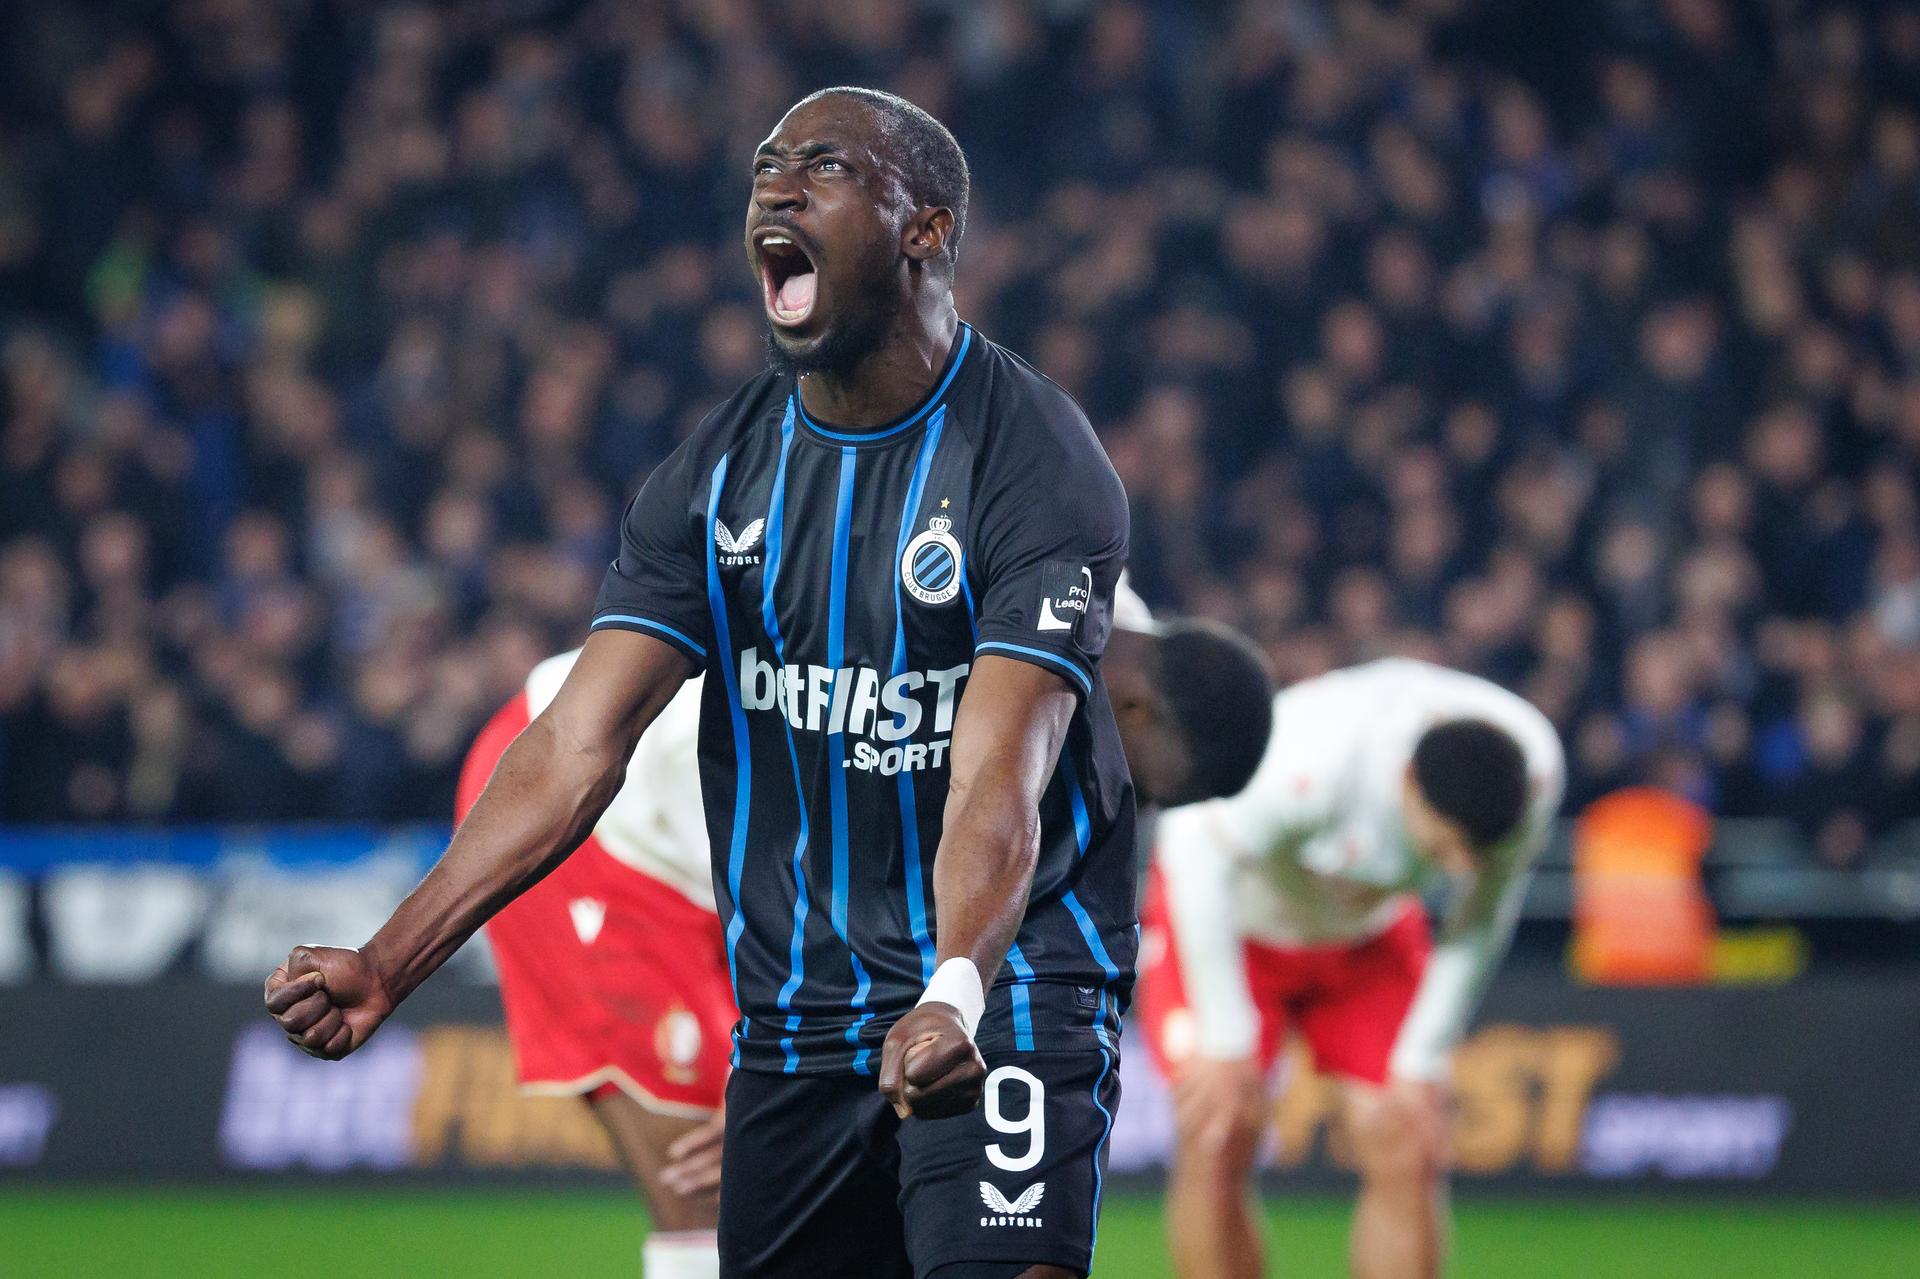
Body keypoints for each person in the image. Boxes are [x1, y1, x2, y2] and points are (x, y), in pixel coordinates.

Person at [265, 86, 1272, 1279]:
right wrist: (389, 961)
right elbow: (578, 741)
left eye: (827, 167)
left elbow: (997, 766)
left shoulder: (1036, 467)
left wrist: (955, 988)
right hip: (797, 1009)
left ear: (926, 230)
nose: (778, 190)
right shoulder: (714, 473)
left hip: (1004, 985)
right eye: (766, 168)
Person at [1137, 658, 1566, 1279]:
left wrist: (1423, 1060)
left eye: (1475, 853)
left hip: (1369, 935)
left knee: (1407, 1135)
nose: (1458, 870)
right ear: (1409, 784)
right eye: (1443, 845)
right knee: (1218, 1130)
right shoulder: (1310, 758)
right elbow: (1193, 852)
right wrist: (1226, 1040)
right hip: (1233, 924)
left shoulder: (1532, 776)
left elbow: (1482, 917)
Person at [456, 650, 730, 1277]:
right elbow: (794, 911)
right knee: (708, 1177)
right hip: (579, 809)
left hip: (679, 835)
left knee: (781, 1142)